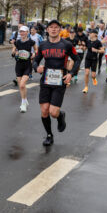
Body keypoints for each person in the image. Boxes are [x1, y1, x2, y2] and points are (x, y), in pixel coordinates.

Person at [32, 19, 80, 147]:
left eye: (56, 27)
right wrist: (36, 68)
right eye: (51, 27)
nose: (53, 29)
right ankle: (49, 135)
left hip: (60, 81)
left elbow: (77, 59)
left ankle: (60, 116)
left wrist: (71, 74)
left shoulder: (67, 45)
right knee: (44, 110)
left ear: (60, 30)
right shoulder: (43, 45)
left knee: (53, 112)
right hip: (46, 80)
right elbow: (35, 60)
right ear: (47, 30)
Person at [12, 25, 37, 112]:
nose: (22, 33)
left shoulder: (31, 42)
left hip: (27, 65)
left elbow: (36, 51)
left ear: (27, 32)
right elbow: (13, 52)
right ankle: (25, 100)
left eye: (23, 31)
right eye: (21, 31)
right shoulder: (17, 42)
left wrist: (33, 55)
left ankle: (23, 103)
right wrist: (15, 53)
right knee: (21, 86)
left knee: (22, 84)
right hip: (18, 65)